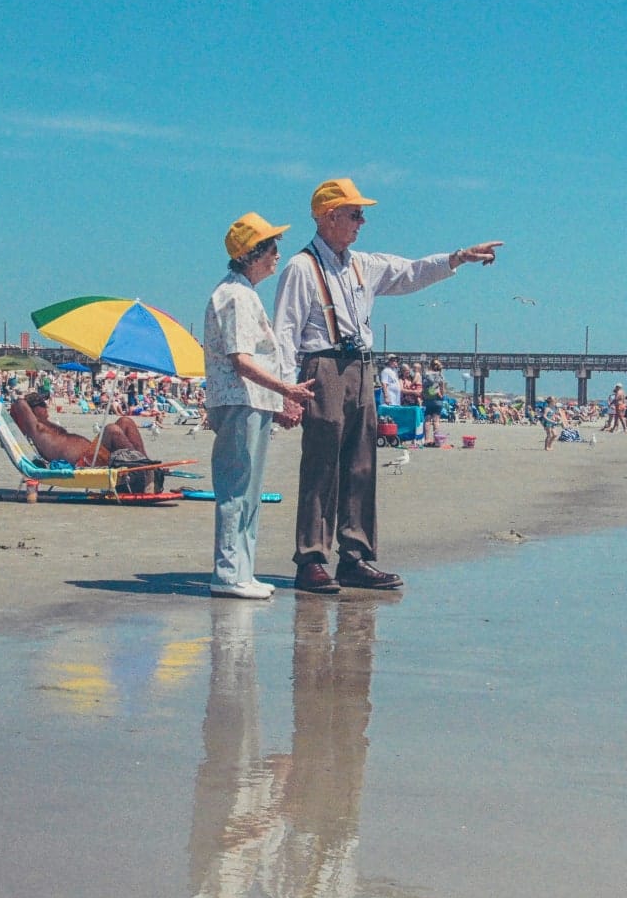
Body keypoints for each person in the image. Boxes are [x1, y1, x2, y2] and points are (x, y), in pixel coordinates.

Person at [273, 176, 502, 594]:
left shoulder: (363, 263)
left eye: (361, 215)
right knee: (322, 464)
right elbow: (284, 331)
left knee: (361, 465)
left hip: (361, 367)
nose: (362, 222)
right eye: (355, 214)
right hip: (321, 366)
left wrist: (457, 258)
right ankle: (310, 558)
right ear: (329, 217)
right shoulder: (301, 268)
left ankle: (354, 555)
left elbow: (411, 272)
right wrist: (287, 392)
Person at [203, 212, 316, 601]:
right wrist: (287, 388)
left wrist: (279, 398)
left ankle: (242, 571)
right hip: (239, 400)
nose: (277, 255)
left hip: (251, 401)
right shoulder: (234, 295)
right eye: (271, 248)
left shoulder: (244, 292)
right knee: (236, 487)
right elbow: (241, 359)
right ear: (252, 254)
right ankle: (229, 572)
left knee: (249, 490)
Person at [10, 390, 152, 467]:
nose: (46, 406)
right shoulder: (37, 429)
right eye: (41, 404)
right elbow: (19, 403)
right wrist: (23, 399)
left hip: (94, 454)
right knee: (111, 429)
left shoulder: (46, 426)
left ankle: (147, 465)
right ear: (31, 411)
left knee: (125, 421)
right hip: (85, 462)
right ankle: (141, 470)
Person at [422, 358, 447, 445]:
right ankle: (437, 440)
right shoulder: (440, 375)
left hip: (428, 400)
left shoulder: (426, 374)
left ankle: (426, 440)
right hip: (437, 400)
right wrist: (439, 393)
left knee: (427, 420)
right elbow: (442, 391)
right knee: (436, 421)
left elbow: (424, 387)